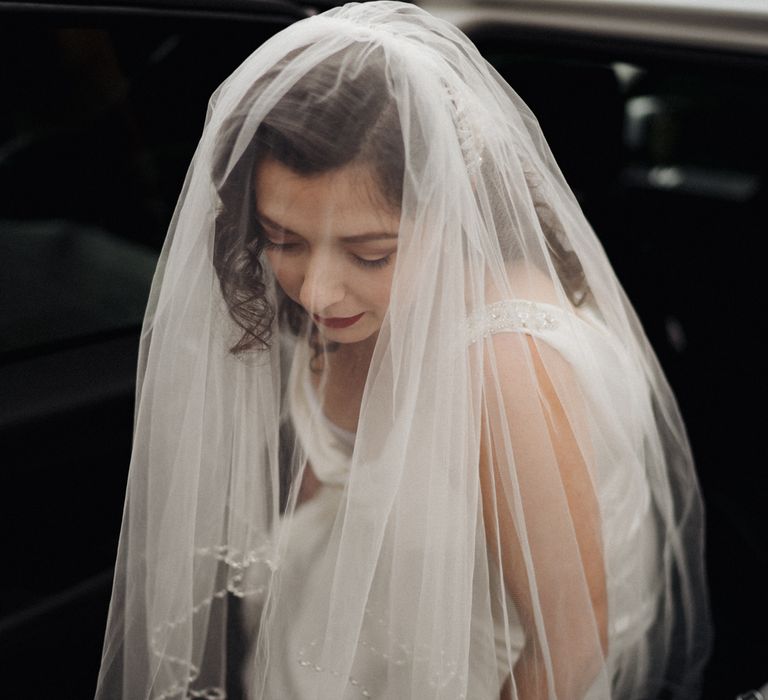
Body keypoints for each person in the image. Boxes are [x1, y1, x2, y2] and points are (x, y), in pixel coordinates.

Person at [95, 2, 712, 698]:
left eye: (370, 252)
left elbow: (571, 645)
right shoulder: (363, 310)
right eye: (283, 238)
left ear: (452, 205)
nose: (318, 292)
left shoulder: (507, 372)